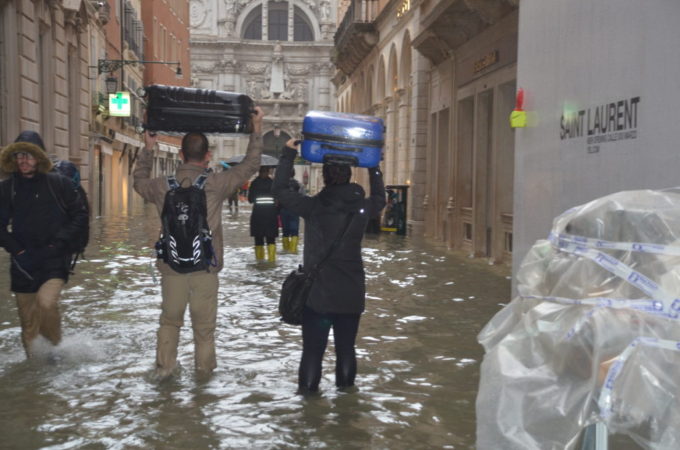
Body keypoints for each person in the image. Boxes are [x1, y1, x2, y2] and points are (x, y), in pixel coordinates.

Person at [133, 107, 264, 379]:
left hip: (171, 268)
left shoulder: (161, 185)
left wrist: (148, 148)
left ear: (180, 154)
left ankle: (165, 369)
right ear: (208, 156)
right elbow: (251, 165)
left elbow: (138, 181)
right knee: (204, 329)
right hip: (206, 268)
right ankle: (204, 378)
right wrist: (257, 128)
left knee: (170, 322)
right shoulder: (217, 183)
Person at [272, 139, 386, 394]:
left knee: (313, 351)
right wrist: (373, 166)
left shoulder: (313, 207)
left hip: (319, 297)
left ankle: (308, 407)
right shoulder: (362, 208)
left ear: (324, 177)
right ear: (349, 176)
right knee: (347, 348)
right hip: (350, 294)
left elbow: (279, 189)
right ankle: (346, 404)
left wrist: (288, 152)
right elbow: (380, 197)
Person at [0, 131, 89, 358]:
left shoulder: (59, 184)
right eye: (19, 155)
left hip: (54, 259)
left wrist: (59, 244)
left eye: (29, 155)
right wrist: (17, 250)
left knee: (46, 303)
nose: (24, 160)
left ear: (39, 158)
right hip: (23, 263)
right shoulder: (6, 188)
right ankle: (34, 372)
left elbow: (80, 216)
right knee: (28, 322)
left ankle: (56, 350)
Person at [248, 166, 279, 262]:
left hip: (258, 215)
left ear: (259, 172)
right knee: (271, 240)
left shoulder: (254, 183)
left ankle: (260, 262)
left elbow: (250, 200)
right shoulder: (273, 183)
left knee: (259, 240)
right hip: (271, 215)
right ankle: (272, 261)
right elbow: (278, 200)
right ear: (268, 172)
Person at [280, 168, 303, 254]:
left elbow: (279, 197)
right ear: (294, 174)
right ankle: (293, 251)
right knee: (294, 231)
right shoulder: (298, 184)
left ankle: (285, 250)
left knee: (285, 231)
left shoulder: (282, 185)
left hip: (284, 209)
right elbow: (302, 198)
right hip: (294, 210)